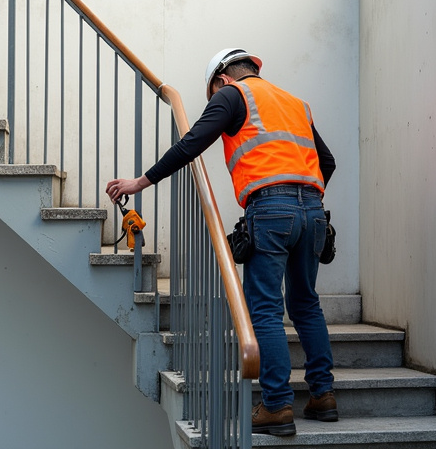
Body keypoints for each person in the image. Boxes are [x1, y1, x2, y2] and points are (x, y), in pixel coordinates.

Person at [105, 48, 338, 436]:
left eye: (212, 94)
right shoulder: (297, 103)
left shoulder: (234, 95)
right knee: (306, 304)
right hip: (312, 211)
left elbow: (191, 142)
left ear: (221, 80)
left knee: (263, 309)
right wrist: (304, 200)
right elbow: (326, 161)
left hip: (271, 209)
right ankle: (323, 395)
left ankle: (278, 405)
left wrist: (139, 182)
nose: (215, 100)